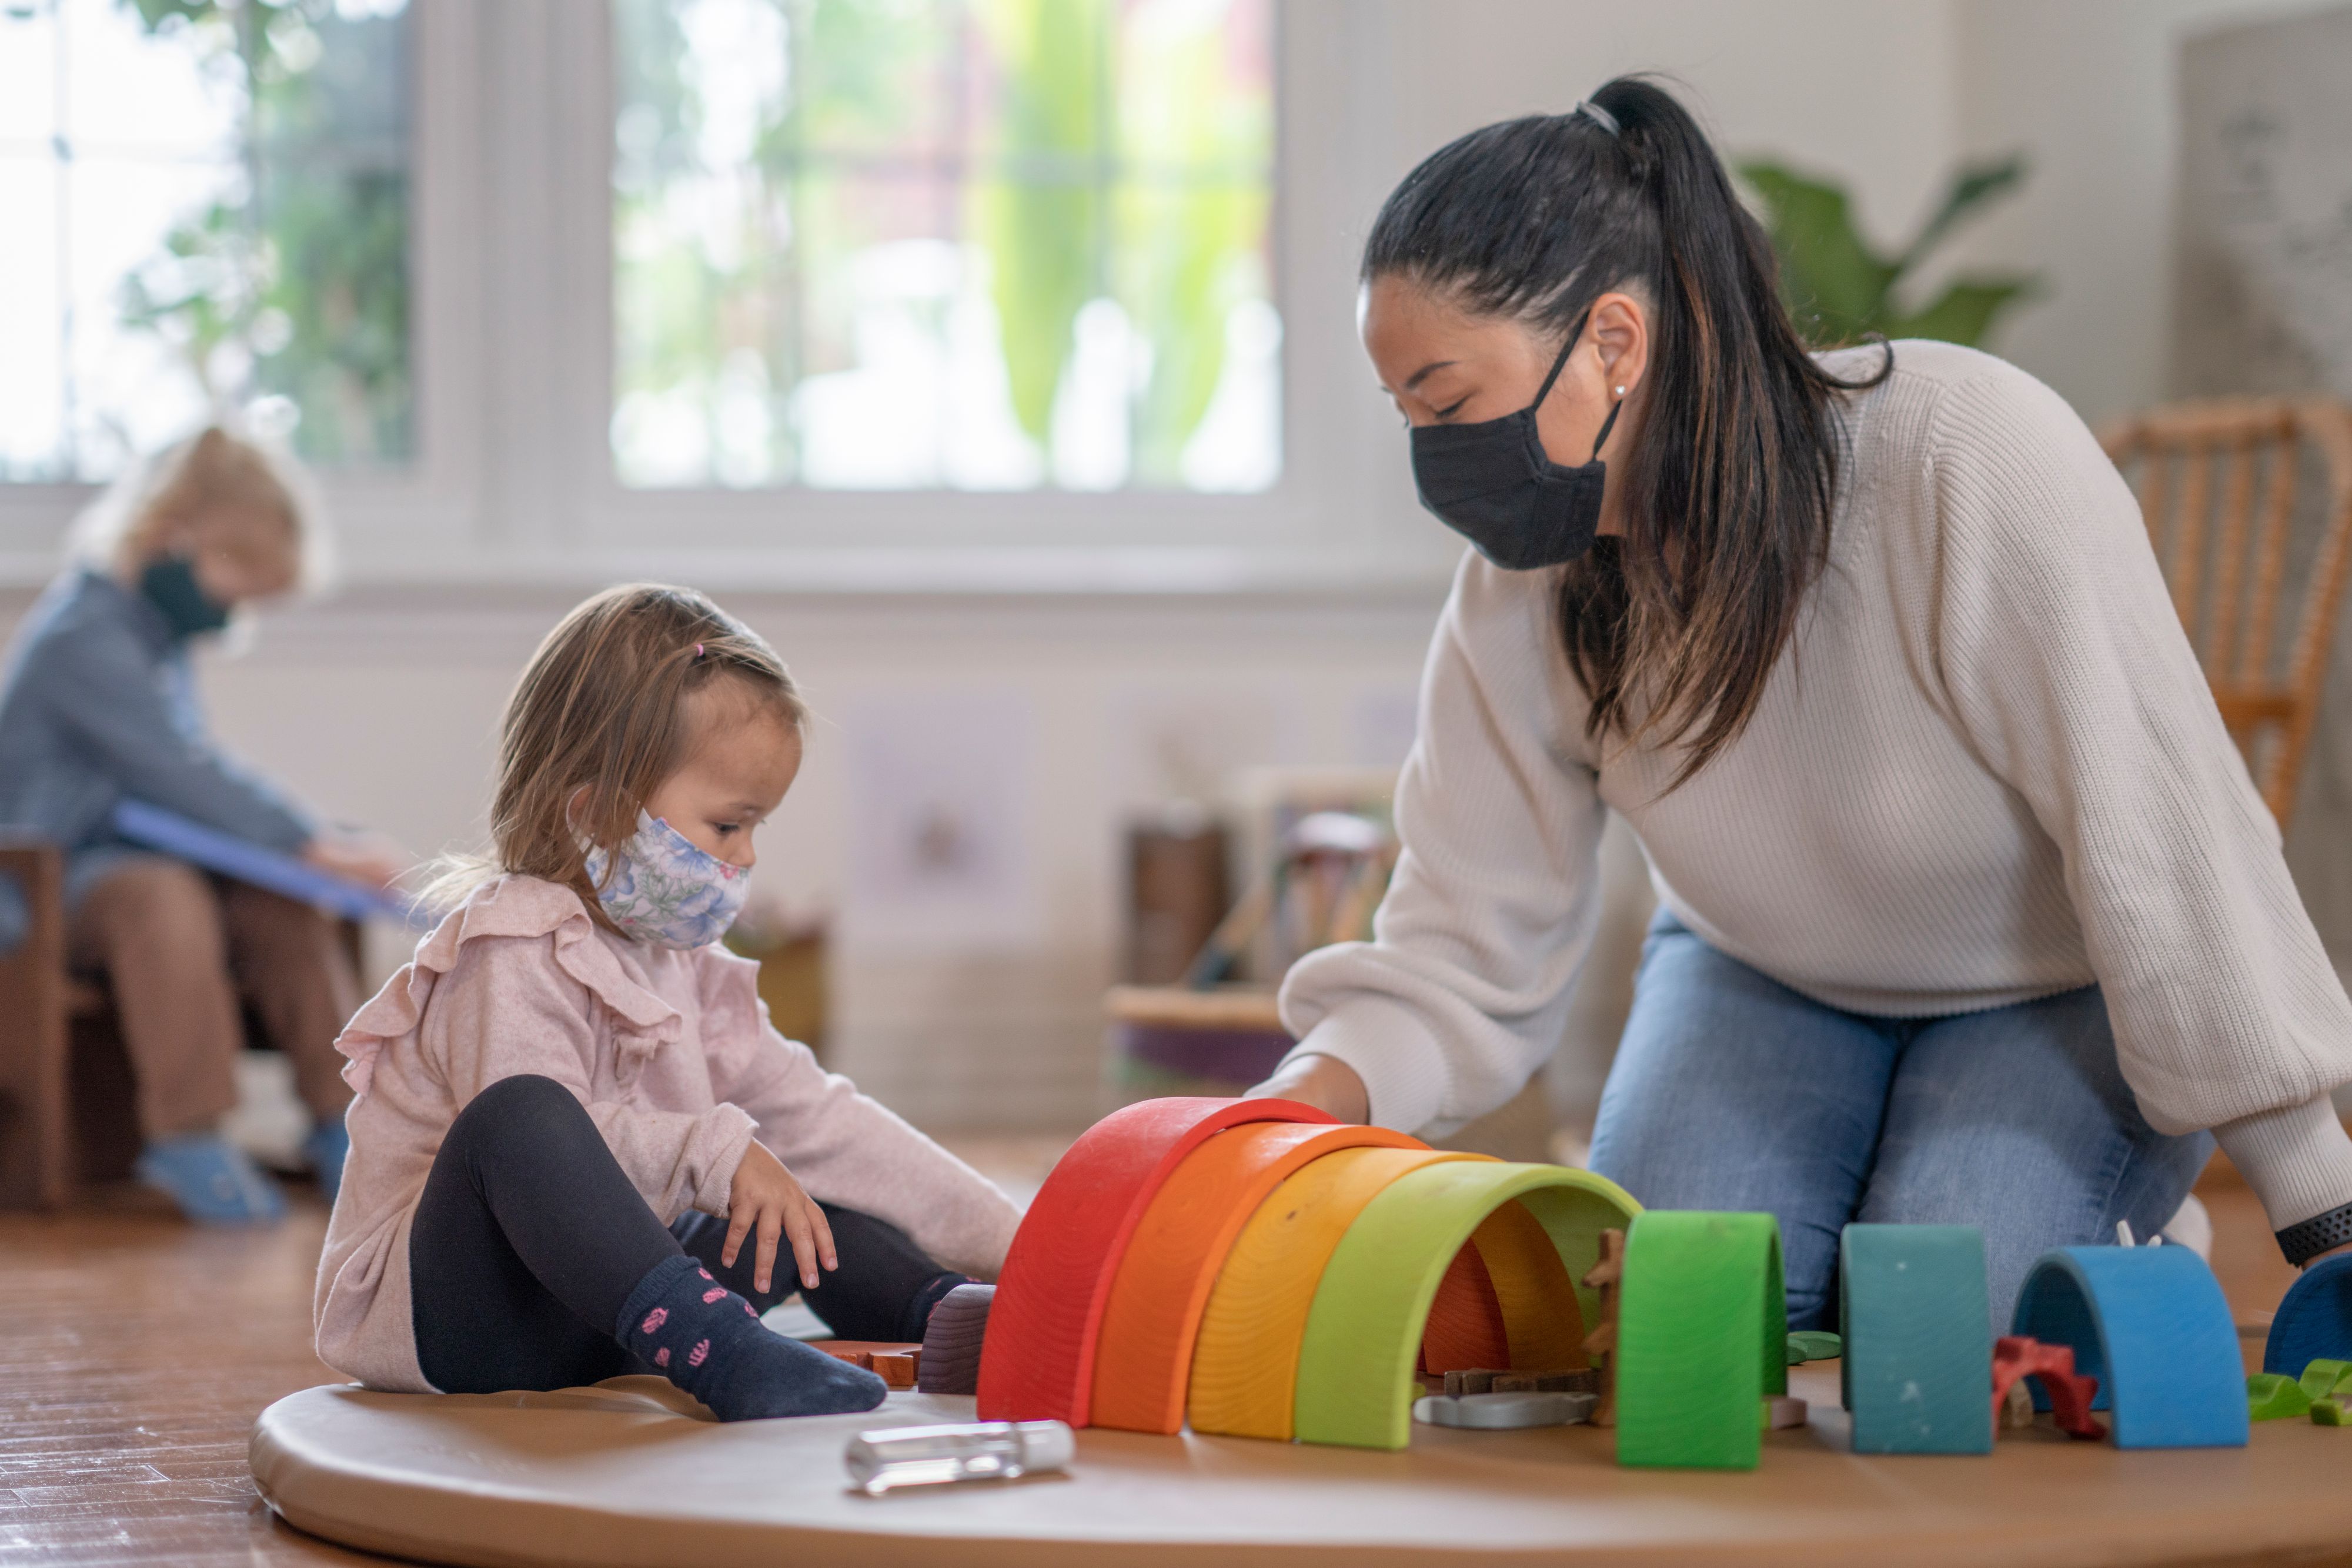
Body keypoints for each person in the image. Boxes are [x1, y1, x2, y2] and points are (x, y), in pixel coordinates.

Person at [1249, 77, 2352, 1325]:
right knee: (1671, 1320)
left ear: (1613, 341)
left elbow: (2162, 832)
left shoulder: (1960, 454)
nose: (1432, 457)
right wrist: (1286, 1104)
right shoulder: (1525, 594)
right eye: (1406, 415)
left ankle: (2128, 1240)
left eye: (1449, 405)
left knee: (1940, 1324)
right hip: (1753, 976)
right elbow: (1459, 932)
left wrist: (2317, 1196)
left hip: (2045, 992)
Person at [314, 583, 1020, 1419]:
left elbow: (825, 1122)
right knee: (521, 1117)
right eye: (729, 826)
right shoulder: (505, 949)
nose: (748, 854)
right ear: (601, 813)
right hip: (461, 1322)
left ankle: (956, 1322)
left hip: (606, 1319)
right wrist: (713, 1153)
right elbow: (535, 1171)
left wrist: (1023, 1245)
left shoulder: (684, 963)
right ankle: (727, 1359)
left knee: (800, 1188)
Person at [0, 426, 406, 1223]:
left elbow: (189, 779)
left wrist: (303, 854)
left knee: (281, 905)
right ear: (171, 536)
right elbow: (178, 773)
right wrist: (313, 840)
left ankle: (344, 1123)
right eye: (234, 582)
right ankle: (187, 1134)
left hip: (141, 862)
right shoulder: (84, 637)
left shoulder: (155, 643)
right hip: (51, 882)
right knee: (162, 897)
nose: (233, 608)